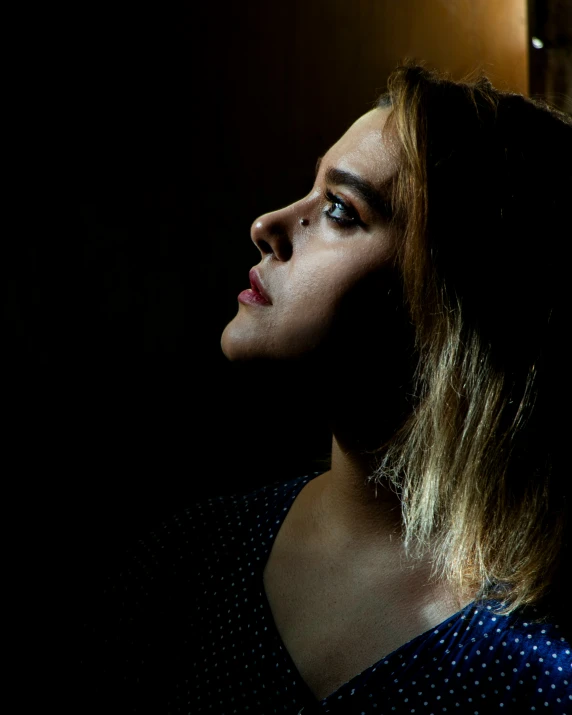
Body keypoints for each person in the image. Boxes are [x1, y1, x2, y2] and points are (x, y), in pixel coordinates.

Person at [76, 60, 571, 714]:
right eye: (310, 190)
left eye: (340, 208)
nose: (267, 224)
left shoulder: (545, 661)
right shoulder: (187, 562)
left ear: (464, 307)